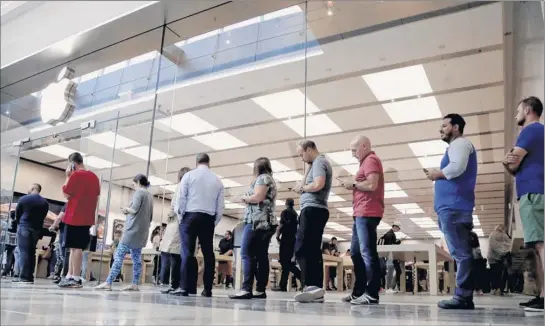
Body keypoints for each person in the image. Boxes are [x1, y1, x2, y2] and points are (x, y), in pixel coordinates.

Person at [425, 113, 477, 310]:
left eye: (445, 126)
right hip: (452, 208)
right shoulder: (456, 147)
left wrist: (437, 174)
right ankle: (464, 295)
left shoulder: (460, 144)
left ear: (456, 127)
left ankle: (463, 296)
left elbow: (457, 167)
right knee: (460, 253)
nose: (441, 129)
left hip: (455, 207)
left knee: (462, 254)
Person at [502, 96, 544, 312]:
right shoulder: (539, 132)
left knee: (541, 245)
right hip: (535, 191)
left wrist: (508, 160)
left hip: (534, 192)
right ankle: (542, 295)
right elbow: (514, 165)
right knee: (538, 246)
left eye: (518, 110)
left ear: (528, 110)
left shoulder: (530, 130)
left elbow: (513, 161)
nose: (516, 114)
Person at [339, 135, 384, 305]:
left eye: (354, 150)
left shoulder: (371, 160)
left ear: (364, 146)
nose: (352, 154)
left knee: (367, 253)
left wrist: (353, 184)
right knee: (356, 253)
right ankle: (358, 292)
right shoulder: (364, 163)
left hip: (367, 212)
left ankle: (372, 293)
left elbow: (372, 185)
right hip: (360, 213)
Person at [175, 153, 224, 297]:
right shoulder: (217, 180)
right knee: (208, 254)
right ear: (209, 163)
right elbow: (220, 207)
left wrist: (181, 217)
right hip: (208, 218)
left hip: (190, 216)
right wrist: (213, 222)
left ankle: (186, 287)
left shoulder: (189, 176)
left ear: (196, 162)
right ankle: (207, 289)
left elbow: (181, 198)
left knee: (187, 252)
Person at [229, 157, 278, 300]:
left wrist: (245, 198)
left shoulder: (262, 178)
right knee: (261, 255)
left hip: (256, 221)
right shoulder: (270, 179)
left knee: (246, 253)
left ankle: (246, 289)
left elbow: (258, 196)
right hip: (265, 222)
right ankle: (260, 289)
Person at [96, 174, 153, 291]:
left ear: (138, 182)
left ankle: (108, 282)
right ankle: (135, 284)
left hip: (131, 231)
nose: (133, 186)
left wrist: (125, 209)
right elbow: (150, 216)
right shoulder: (150, 196)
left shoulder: (139, 193)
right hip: (142, 232)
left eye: (134, 183)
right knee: (136, 258)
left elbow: (134, 210)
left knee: (119, 256)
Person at [292, 140, 332, 303]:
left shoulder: (319, 161)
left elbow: (318, 184)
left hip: (313, 209)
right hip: (316, 209)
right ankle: (315, 288)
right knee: (313, 249)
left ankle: (311, 285)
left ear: (309, 149)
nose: (301, 158)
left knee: (302, 247)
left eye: (301, 154)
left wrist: (303, 188)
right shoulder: (317, 163)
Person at [59, 152, 100, 288]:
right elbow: (96, 195)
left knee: (75, 248)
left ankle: (76, 278)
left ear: (72, 163)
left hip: (74, 216)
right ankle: (70, 275)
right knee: (74, 248)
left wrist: (67, 177)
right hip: (87, 217)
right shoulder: (94, 177)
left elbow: (66, 194)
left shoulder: (75, 175)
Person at [160, 167, 189, 294]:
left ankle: (174, 284)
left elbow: (175, 204)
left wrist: (170, 214)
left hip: (176, 222)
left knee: (174, 254)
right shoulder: (189, 187)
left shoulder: (180, 186)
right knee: (179, 254)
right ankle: (177, 284)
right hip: (183, 222)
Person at [12, 183, 49, 284]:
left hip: (24, 226)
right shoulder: (45, 202)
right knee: (32, 252)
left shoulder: (24, 199)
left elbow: (17, 214)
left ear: (32, 188)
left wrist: (19, 223)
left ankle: (24, 277)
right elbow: (43, 216)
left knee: (23, 251)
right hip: (36, 229)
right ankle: (30, 276)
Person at [274, 198, 301, 292]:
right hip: (293, 239)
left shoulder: (284, 212)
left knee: (284, 262)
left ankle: (301, 276)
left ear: (286, 204)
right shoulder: (296, 214)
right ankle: (282, 286)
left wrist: (277, 236)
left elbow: (281, 225)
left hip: (285, 239)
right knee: (286, 262)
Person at [487, 224, 511, 295]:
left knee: (496, 273)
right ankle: (498, 289)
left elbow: (508, 244)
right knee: (498, 274)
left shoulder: (494, 235)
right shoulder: (500, 235)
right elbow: (509, 244)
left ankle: (496, 288)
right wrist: (505, 251)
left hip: (494, 258)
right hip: (497, 258)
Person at [383, 222, 402, 293]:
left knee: (394, 272)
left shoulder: (390, 234)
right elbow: (390, 246)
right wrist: (398, 242)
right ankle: (390, 288)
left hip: (391, 256)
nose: (398, 230)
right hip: (391, 256)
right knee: (393, 272)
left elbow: (391, 244)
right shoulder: (390, 234)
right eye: (398, 228)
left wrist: (398, 242)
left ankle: (390, 287)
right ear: (394, 227)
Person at [469, 231, 484, 296]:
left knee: (476, 273)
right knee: (474, 273)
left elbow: (477, 244)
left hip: (474, 256)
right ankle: (476, 288)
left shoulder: (472, 234)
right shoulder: (472, 234)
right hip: (472, 256)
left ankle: (477, 288)